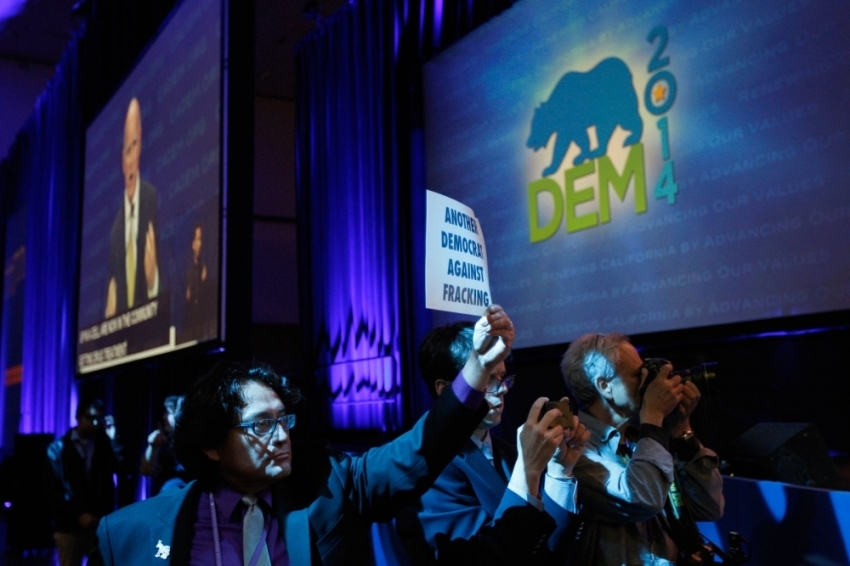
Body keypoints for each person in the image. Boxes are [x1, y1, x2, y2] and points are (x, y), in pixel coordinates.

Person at [96, 305, 515, 565]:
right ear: (211, 445)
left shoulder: (330, 485)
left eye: (284, 420)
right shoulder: (129, 533)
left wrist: (478, 368)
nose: (280, 436)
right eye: (262, 424)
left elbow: (420, 448)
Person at [396, 321, 590, 564]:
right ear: (445, 389)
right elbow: (479, 558)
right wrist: (527, 468)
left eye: (503, 377)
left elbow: (546, 549)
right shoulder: (427, 466)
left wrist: (560, 474)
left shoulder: (509, 452)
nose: (501, 390)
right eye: (488, 379)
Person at [560, 332, 725, 565]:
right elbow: (642, 498)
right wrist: (654, 416)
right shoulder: (574, 449)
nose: (650, 383)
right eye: (639, 375)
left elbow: (709, 507)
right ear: (604, 385)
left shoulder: (641, 439)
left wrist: (682, 431)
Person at [46, 398, 125, 566]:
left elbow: (120, 467)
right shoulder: (58, 448)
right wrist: (77, 514)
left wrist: (113, 440)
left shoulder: (103, 445)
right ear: (78, 417)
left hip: (98, 524)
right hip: (68, 526)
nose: (95, 423)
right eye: (90, 418)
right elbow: (55, 488)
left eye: (98, 419)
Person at [105, 96, 160, 318]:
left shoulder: (154, 200)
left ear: (141, 146)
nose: (130, 159)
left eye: (134, 145)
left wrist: (153, 280)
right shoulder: (115, 232)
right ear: (121, 159)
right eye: (126, 149)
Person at [140, 395, 188, 495]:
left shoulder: (191, 442)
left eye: (168, 413)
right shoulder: (167, 442)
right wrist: (153, 446)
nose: (164, 417)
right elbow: (147, 470)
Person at [182, 223, 212, 341]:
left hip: (203, 323)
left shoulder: (205, 267)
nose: (200, 244)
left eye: (201, 239)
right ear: (193, 244)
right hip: (189, 326)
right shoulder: (187, 271)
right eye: (198, 239)